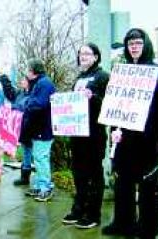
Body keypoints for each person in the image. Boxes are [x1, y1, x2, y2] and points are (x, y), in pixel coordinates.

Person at [102, 28, 158, 239]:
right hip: (124, 137)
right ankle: (123, 222)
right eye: (130, 44)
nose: (134, 47)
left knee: (148, 185)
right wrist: (113, 131)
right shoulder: (121, 71)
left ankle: (148, 227)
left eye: (138, 43)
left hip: (147, 138)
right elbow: (115, 103)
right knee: (123, 183)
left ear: (145, 44)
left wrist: (156, 137)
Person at [61, 43, 109, 229]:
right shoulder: (80, 77)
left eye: (87, 54)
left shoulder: (103, 76)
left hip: (94, 133)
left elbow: (109, 104)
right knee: (79, 173)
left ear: (96, 56)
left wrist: (94, 97)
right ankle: (78, 208)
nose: (83, 57)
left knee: (94, 173)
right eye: (81, 54)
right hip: (77, 133)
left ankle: (93, 213)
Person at [20, 58, 56, 202]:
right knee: (39, 157)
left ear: (33, 71)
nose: (26, 72)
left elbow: (39, 104)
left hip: (43, 128)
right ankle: (40, 185)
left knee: (41, 158)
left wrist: (26, 103)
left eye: (28, 69)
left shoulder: (44, 84)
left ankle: (45, 188)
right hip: (39, 128)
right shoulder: (40, 83)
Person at [0, 74, 33, 186]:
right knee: (26, 151)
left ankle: (26, 176)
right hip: (21, 127)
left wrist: (13, 108)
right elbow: (10, 93)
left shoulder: (32, 94)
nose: (21, 81)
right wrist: (5, 81)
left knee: (29, 151)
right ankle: (24, 175)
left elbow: (25, 107)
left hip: (29, 127)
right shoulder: (20, 93)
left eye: (24, 79)